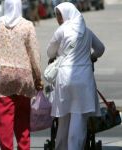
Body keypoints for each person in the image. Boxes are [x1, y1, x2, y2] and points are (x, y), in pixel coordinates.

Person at [0, 0, 43, 150]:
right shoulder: (27, 26)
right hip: (23, 78)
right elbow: (34, 54)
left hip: (0, 77)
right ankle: (23, 147)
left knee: (3, 120)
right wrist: (38, 77)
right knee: (22, 118)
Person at [46, 2, 105, 150]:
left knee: (63, 118)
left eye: (60, 15)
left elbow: (49, 52)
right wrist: (91, 57)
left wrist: (59, 53)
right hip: (84, 79)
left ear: (67, 14)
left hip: (65, 78)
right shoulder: (86, 31)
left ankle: (60, 147)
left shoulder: (61, 31)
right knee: (78, 118)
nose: (58, 18)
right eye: (56, 15)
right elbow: (100, 49)